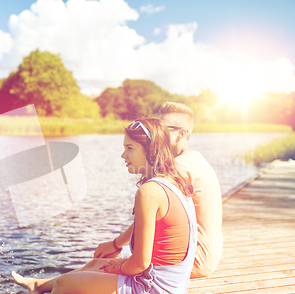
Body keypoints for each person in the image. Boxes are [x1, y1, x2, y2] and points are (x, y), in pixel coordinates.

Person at [12, 118, 197, 294]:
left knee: (66, 283)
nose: (123, 155)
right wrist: (117, 252)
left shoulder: (149, 192)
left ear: (151, 150)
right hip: (172, 289)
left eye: (130, 148)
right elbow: (151, 228)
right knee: (95, 264)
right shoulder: (174, 180)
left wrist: (119, 266)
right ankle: (38, 286)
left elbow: (141, 263)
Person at [95, 103, 223, 278]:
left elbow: (148, 218)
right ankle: (49, 285)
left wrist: (116, 244)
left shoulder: (178, 168)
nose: (158, 133)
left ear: (182, 134)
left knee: (103, 264)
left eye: (164, 128)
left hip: (192, 259)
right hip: (206, 255)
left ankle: (58, 287)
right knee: (98, 264)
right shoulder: (195, 159)